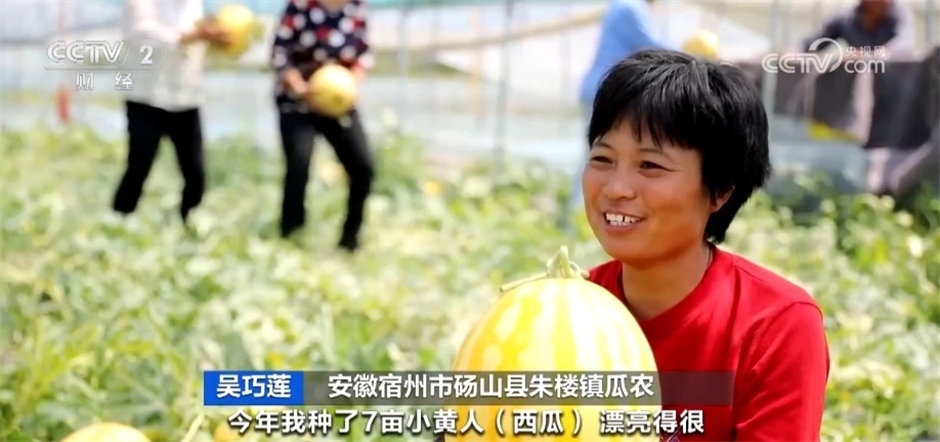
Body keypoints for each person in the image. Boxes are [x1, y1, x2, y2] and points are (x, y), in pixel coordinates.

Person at [583, 50, 829, 440]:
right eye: (602, 158)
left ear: (720, 191)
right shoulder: (565, 310)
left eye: (650, 165)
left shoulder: (777, 325)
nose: (616, 188)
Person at [270, 0, 375, 252]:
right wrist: (301, 88)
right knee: (299, 166)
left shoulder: (356, 7)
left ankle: (350, 241)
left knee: (363, 167)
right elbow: (279, 53)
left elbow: (363, 55)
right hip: (297, 102)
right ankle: (291, 239)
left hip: (338, 103)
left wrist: (352, 83)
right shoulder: (300, 6)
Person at [112, 0, 230, 224]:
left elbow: (198, 45)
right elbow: (144, 34)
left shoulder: (193, 4)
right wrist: (194, 36)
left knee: (195, 173)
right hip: (146, 97)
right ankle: (118, 220)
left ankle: (191, 224)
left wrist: (216, 40)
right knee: (139, 168)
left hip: (186, 97)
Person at [561, 0, 673, 231]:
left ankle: (580, 221)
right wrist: (698, 57)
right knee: (598, 158)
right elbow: (654, 46)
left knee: (601, 157)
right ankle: (578, 222)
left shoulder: (622, 6)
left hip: (603, 91)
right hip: (605, 94)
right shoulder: (629, 8)